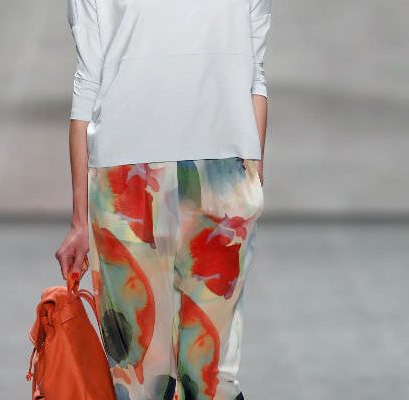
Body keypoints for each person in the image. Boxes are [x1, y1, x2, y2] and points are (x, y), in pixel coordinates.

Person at [55, 0, 271, 398]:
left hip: (215, 175)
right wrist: (79, 221)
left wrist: (252, 175)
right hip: (126, 179)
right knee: (141, 377)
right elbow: (88, 82)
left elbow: (254, 73)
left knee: (210, 379)